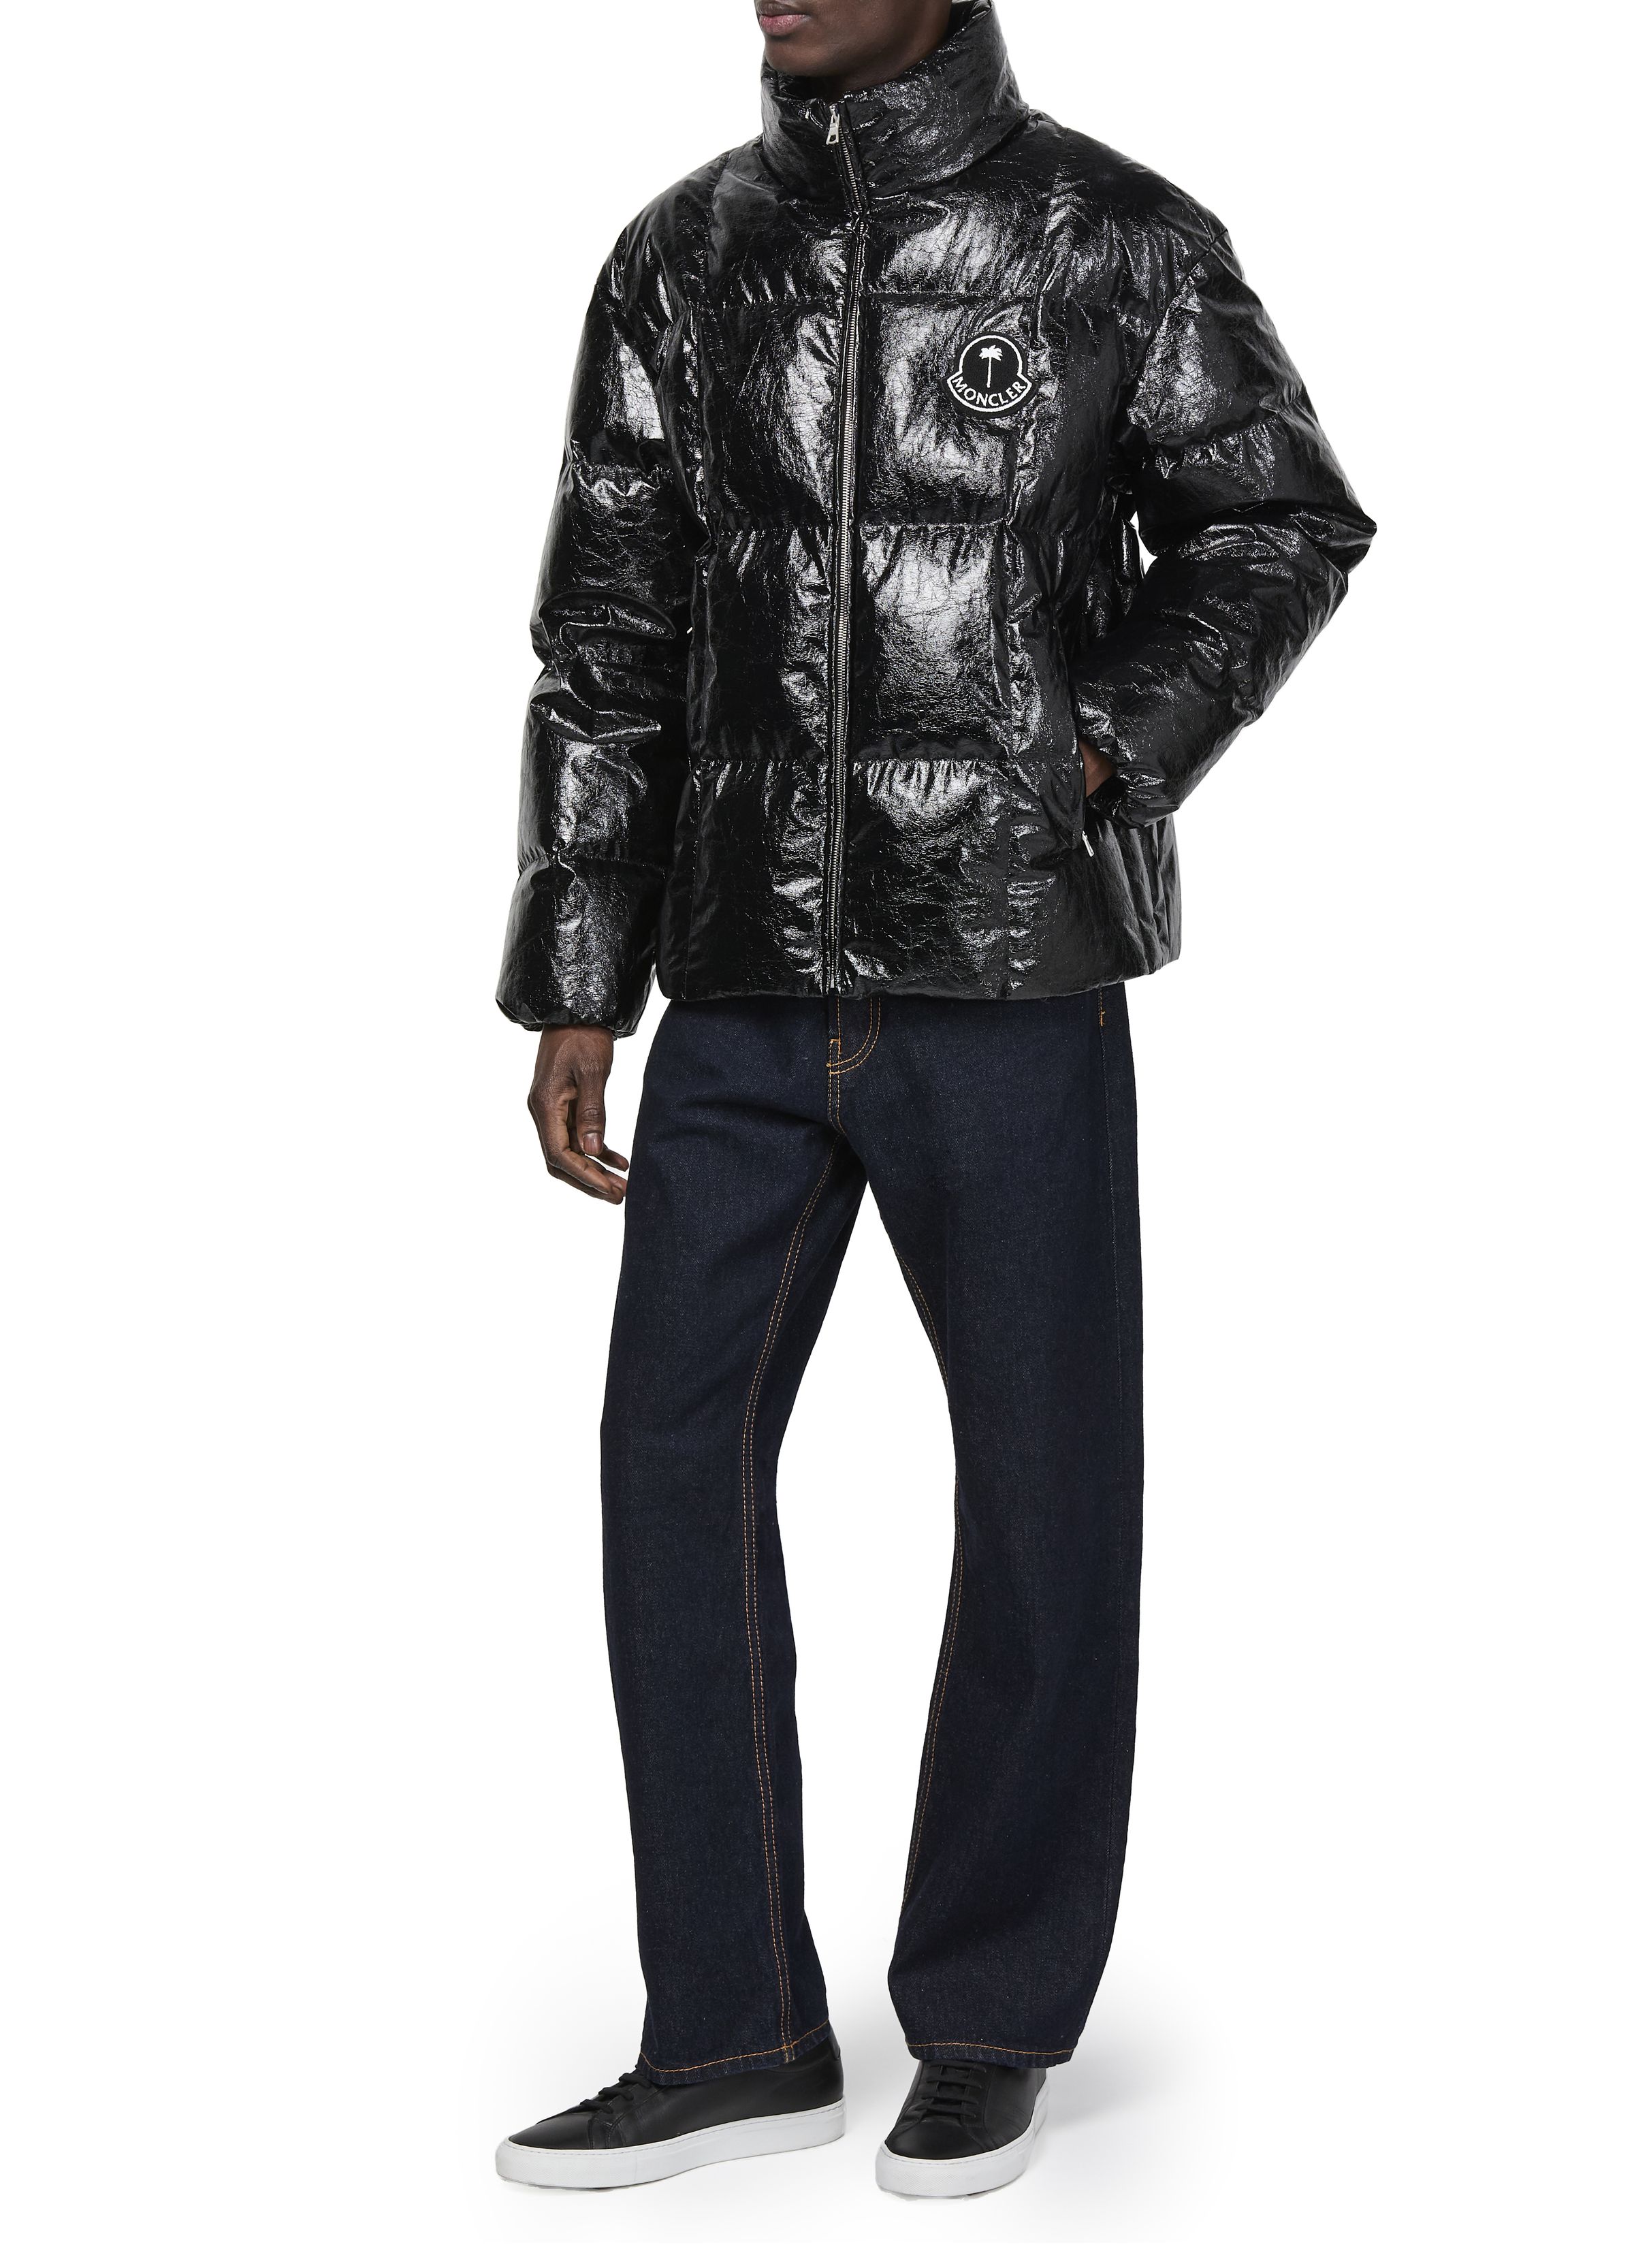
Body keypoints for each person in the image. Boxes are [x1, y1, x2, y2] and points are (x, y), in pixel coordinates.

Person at [493, 0, 1372, 2199]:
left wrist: (1103, 743)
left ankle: (988, 2015)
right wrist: (579, 974)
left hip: (1009, 963)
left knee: (1045, 1484)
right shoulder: (681, 258)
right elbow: (608, 636)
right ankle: (733, 2026)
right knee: (668, 1461)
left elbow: (1280, 521)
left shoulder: (1113, 240)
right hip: (737, 973)